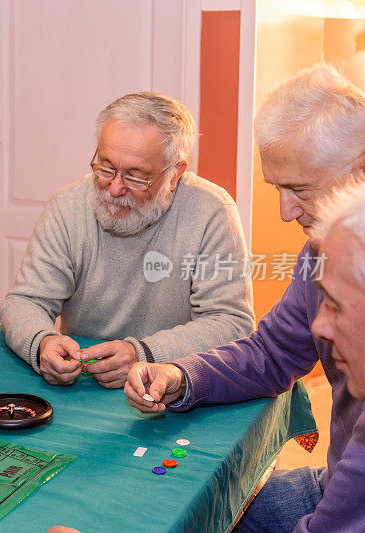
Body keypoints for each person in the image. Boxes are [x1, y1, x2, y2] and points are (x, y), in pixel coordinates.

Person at [124, 64, 365, 532]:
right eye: (277, 188)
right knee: (208, 508)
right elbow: (273, 351)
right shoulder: (324, 249)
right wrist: (182, 375)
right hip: (335, 477)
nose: (284, 211)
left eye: (300, 189)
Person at [0, 92, 255, 388]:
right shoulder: (67, 206)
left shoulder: (212, 211)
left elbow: (232, 322)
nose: (115, 188)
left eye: (135, 176)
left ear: (174, 174)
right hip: (83, 383)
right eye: (106, 167)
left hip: (170, 386)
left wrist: (143, 354)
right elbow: (25, 301)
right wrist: (42, 341)